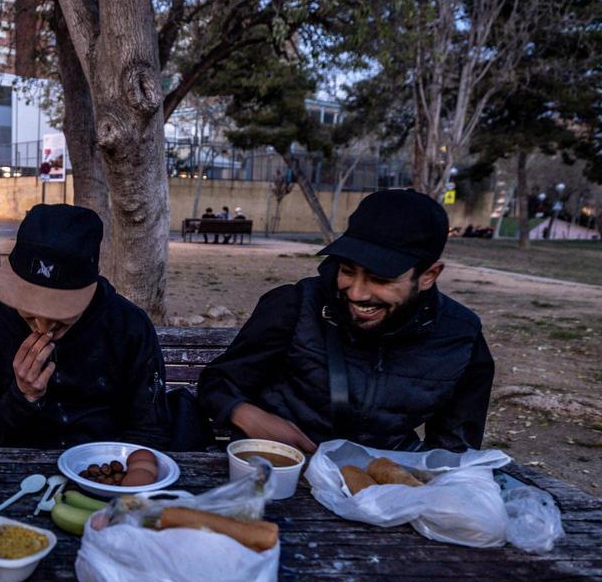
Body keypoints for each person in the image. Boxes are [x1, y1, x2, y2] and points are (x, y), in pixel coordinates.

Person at [197, 190, 494, 454]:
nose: (357, 292)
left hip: (381, 491)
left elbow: (453, 453)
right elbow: (218, 383)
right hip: (285, 473)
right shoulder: (295, 305)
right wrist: (246, 414)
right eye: (347, 271)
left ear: (429, 276)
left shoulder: (460, 337)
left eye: (381, 279)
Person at [0, 204, 171, 449]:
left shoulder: (128, 327)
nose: (43, 327)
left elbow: (150, 430)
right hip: (20, 470)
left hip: (108, 465)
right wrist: (22, 396)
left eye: (60, 315)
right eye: (29, 314)